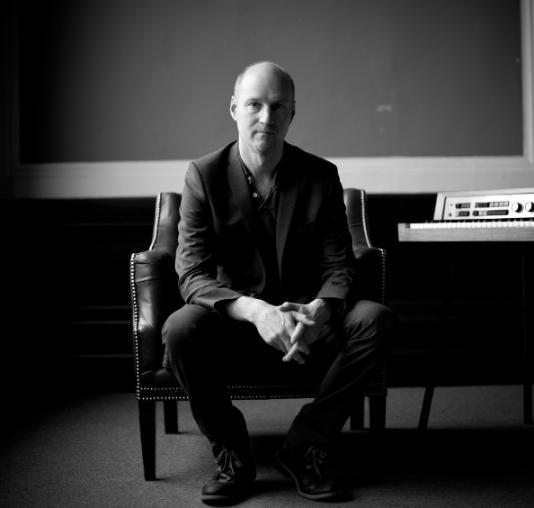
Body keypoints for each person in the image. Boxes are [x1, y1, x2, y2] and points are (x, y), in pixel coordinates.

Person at [162, 61, 396, 505]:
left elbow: (340, 266)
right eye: (255, 105)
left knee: (376, 320)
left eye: (278, 107)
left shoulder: (321, 175)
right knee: (179, 327)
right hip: (234, 325)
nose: (266, 118)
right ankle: (232, 452)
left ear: (292, 114)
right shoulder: (203, 176)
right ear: (234, 108)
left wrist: (320, 310)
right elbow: (191, 273)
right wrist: (255, 310)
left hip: (306, 328)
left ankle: (304, 445)